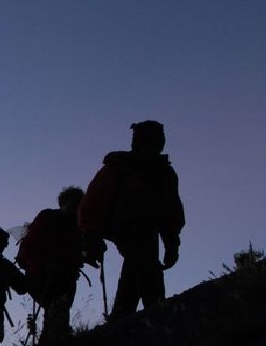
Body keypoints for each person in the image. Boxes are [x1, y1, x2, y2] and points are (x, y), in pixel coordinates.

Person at [78, 120, 185, 316]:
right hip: (125, 228)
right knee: (147, 266)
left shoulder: (163, 172)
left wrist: (172, 243)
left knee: (136, 267)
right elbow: (96, 201)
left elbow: (169, 211)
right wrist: (91, 235)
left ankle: (122, 315)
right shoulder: (121, 167)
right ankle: (158, 313)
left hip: (146, 229)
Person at [16, 186, 85, 344]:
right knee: (57, 308)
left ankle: (52, 344)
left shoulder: (75, 225)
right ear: (64, 203)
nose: (75, 208)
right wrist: (44, 266)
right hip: (42, 275)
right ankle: (53, 344)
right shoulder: (49, 217)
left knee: (59, 309)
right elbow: (29, 246)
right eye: (73, 204)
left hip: (63, 275)